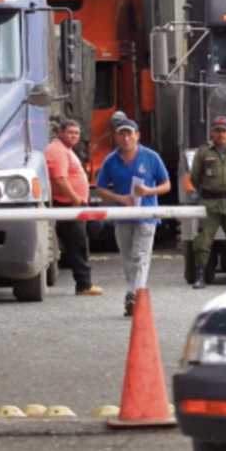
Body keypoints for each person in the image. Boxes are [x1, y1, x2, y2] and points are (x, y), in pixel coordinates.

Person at [95, 118, 171, 316]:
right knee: (128, 258)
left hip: (147, 215)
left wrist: (148, 190)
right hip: (123, 215)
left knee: (141, 256)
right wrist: (118, 197)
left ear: (137, 135)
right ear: (116, 137)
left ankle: (133, 294)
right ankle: (133, 294)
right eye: (122, 133)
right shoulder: (110, 160)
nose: (126, 137)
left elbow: (166, 185)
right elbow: (101, 189)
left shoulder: (151, 157)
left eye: (130, 133)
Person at [188, 116, 226, 289]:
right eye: (217, 130)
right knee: (203, 241)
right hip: (210, 202)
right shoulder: (203, 152)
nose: (221, 134)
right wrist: (206, 189)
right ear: (211, 132)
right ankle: (200, 276)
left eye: (224, 131)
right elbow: (195, 176)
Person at [45, 120, 101, 296]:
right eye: (70, 132)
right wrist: (75, 199)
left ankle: (64, 240)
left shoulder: (66, 150)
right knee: (78, 245)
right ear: (60, 132)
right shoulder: (58, 151)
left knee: (95, 226)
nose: (74, 136)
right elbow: (60, 179)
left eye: (77, 133)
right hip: (69, 204)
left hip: (78, 203)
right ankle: (84, 285)